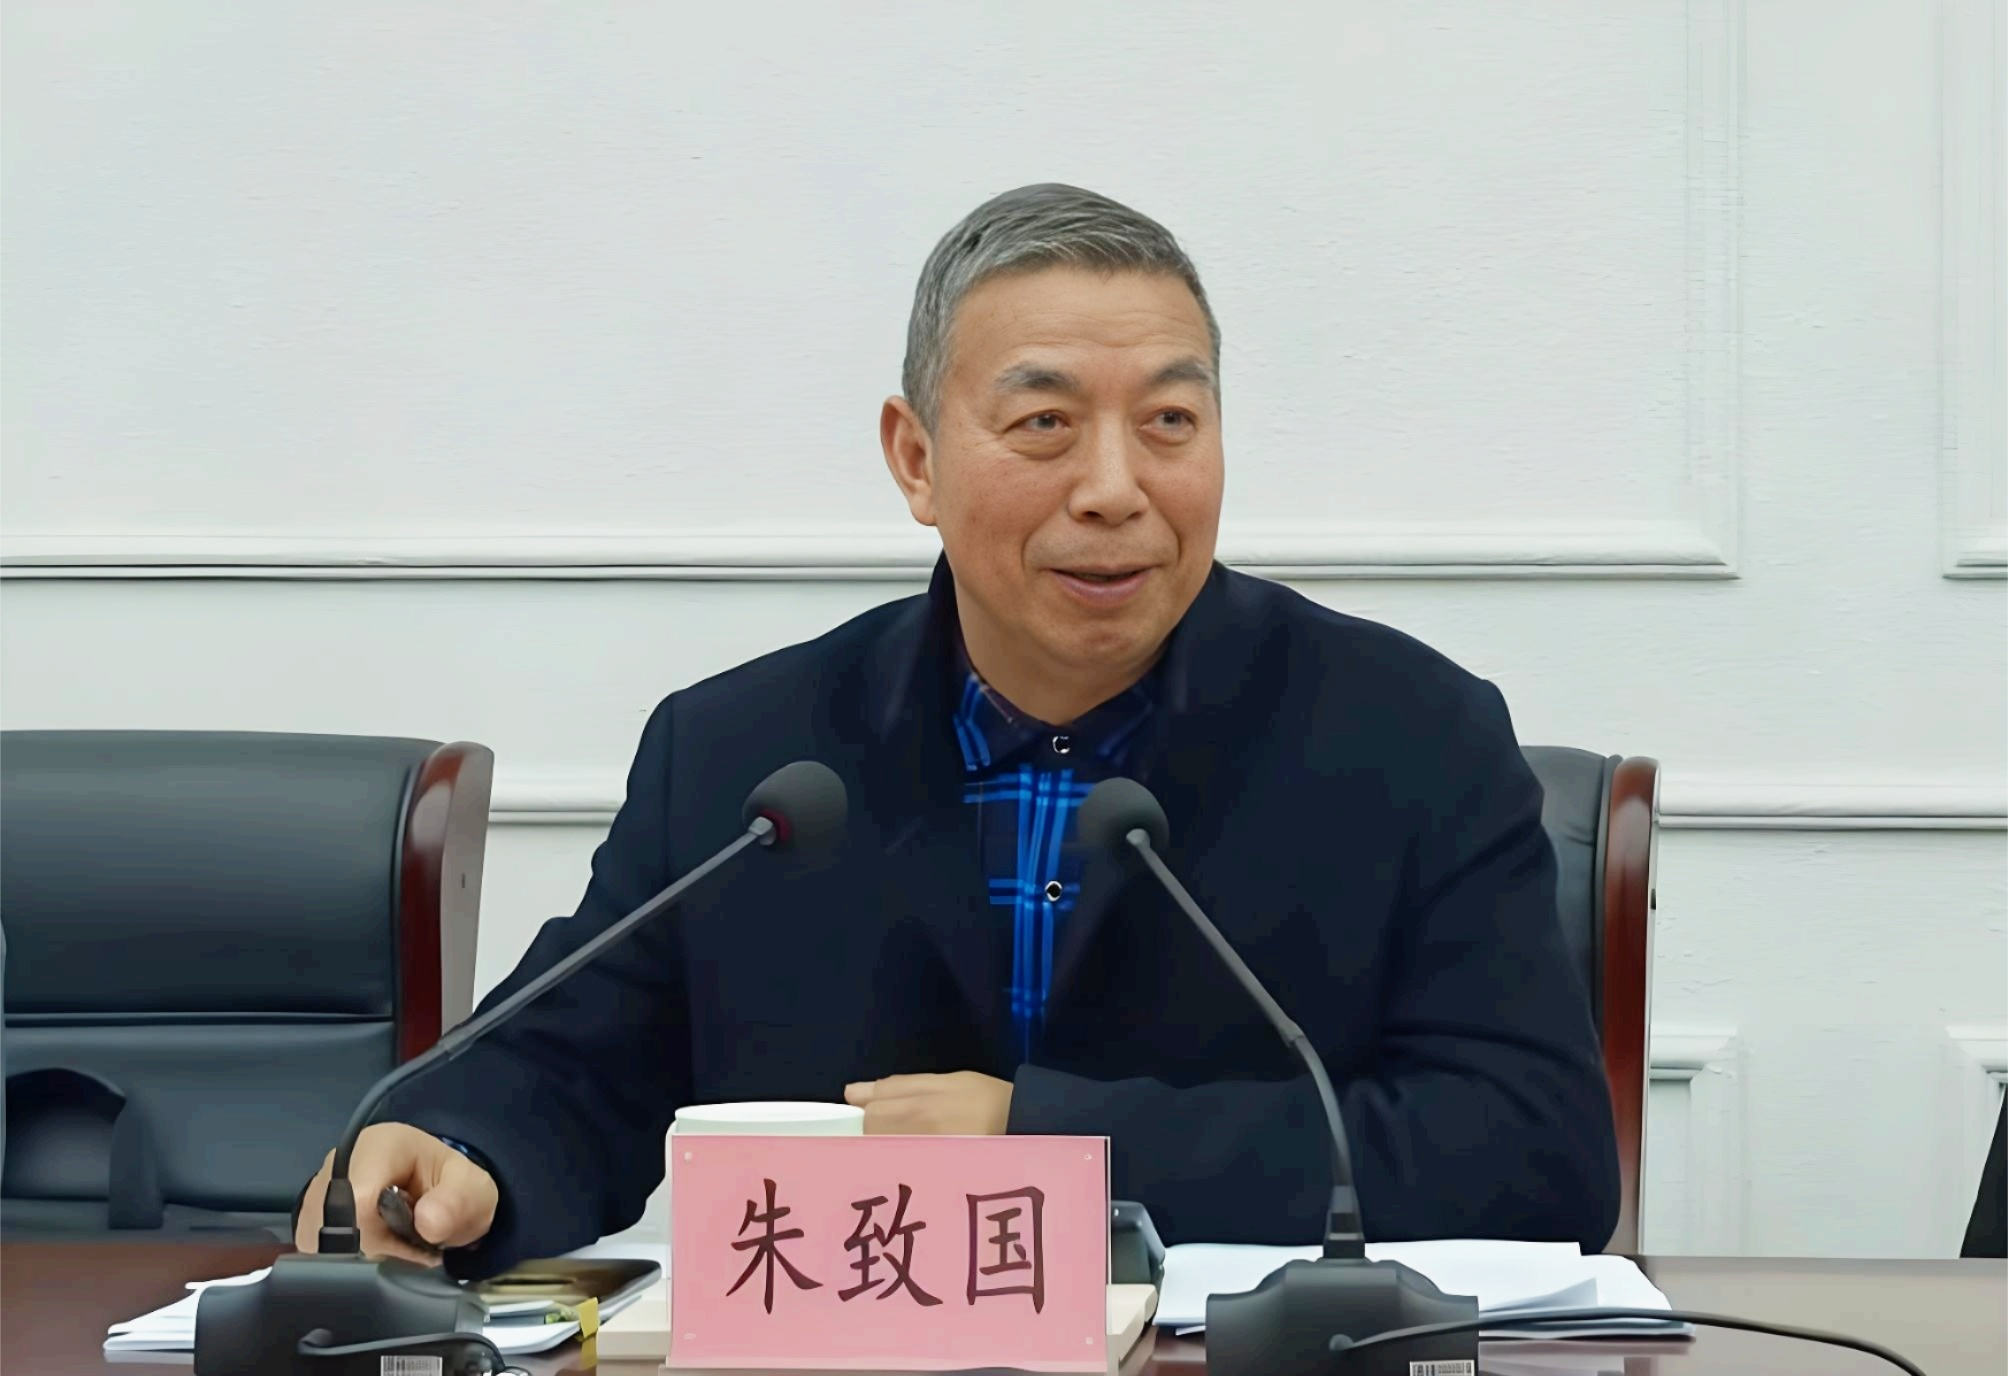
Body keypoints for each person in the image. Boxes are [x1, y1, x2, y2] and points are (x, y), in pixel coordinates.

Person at [295, 183, 1620, 1277]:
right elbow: (566, 1065)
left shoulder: (1409, 736)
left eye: (1170, 421)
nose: (1115, 489)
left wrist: (1057, 1144)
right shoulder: (747, 756)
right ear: (916, 458)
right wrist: (453, 1151)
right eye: (1045, 425)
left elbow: (1532, 1149)